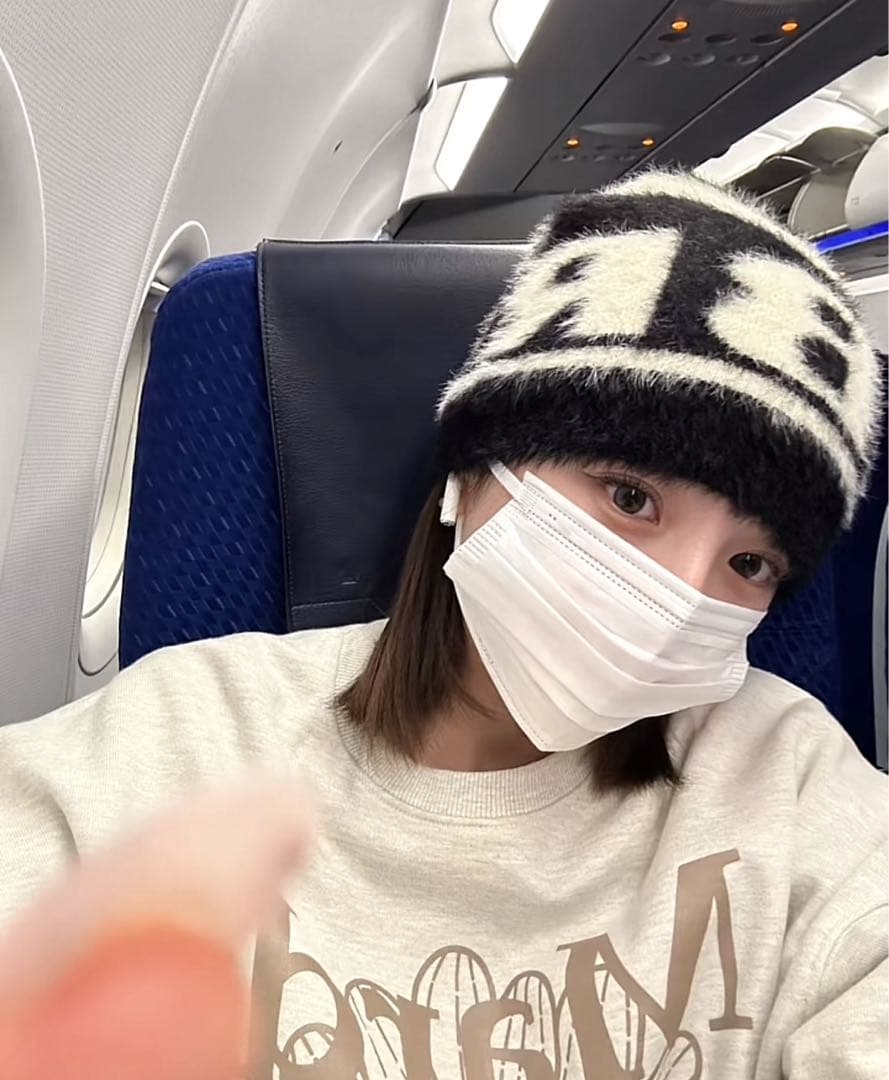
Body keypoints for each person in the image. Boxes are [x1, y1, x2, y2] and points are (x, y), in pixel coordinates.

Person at [0, 169, 886, 1079]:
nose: (675, 599)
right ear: (471, 477)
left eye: (749, 564)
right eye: (629, 497)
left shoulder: (787, 778)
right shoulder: (186, 733)